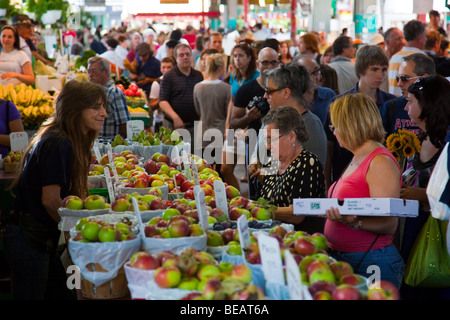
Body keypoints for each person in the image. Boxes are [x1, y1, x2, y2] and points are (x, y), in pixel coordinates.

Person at [3, 80, 107, 300]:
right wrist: (76, 236)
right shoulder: (58, 142)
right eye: (96, 107)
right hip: (30, 241)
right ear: (75, 109)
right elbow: (50, 200)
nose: (104, 113)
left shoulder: (61, 138)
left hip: (38, 240)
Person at [324, 92, 404, 289]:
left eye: (335, 126)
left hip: (372, 260)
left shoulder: (379, 161)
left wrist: (354, 222)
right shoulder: (358, 156)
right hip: (350, 258)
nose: (333, 132)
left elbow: (389, 224)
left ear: (351, 125)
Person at [399, 75, 450, 299]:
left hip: (438, 233)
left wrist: (417, 194)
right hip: (410, 228)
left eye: (410, 101)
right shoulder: (418, 138)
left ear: (427, 104)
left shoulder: (446, 141)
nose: (405, 106)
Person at [325, 45, 396, 188]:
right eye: (374, 69)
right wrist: (327, 180)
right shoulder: (340, 104)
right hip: (344, 172)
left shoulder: (391, 103)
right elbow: (329, 144)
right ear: (361, 71)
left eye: (383, 69)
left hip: (381, 174)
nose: (380, 75)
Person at [258, 106, 326, 231]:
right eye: (265, 140)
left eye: (271, 139)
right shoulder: (271, 163)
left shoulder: (307, 163)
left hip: (299, 239)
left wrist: (260, 210)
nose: (267, 146)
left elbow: (298, 214)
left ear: (291, 136)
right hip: (272, 233)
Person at [221, 41, 259, 190]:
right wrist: (227, 125)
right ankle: (238, 199)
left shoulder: (257, 77)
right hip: (235, 126)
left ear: (250, 58)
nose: (237, 59)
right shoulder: (234, 76)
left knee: (253, 172)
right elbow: (232, 101)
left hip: (251, 129)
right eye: (235, 56)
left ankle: (250, 201)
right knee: (225, 169)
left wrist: (247, 124)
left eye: (241, 56)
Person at [159, 43, 203, 150]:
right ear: (176, 58)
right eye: (181, 55)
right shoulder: (169, 76)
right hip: (173, 126)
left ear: (192, 56)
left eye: (188, 54)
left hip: (194, 127)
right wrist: (175, 117)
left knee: (192, 158)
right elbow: (163, 102)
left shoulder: (198, 76)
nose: (185, 57)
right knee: (172, 158)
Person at [193, 53, 231, 175]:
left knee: (204, 171)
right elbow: (228, 113)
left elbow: (198, 110)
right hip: (220, 134)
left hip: (202, 132)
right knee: (219, 172)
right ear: (220, 69)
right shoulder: (226, 88)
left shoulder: (197, 87)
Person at [380, 53, 434, 138]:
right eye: (398, 78)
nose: (399, 84)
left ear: (424, 78)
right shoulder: (390, 108)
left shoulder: (441, 109)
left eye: (405, 78)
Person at [87, 56, 130, 139]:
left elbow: (124, 124)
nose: (90, 75)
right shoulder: (95, 92)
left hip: (111, 146)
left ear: (106, 71)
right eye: (88, 72)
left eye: (94, 71)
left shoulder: (115, 93)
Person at [294, 54, 337, 126]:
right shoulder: (287, 98)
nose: (315, 78)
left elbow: (337, 126)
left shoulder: (328, 95)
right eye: (307, 73)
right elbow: (273, 127)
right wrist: (274, 138)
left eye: (317, 72)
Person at [388, 20, 427, 97]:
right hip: (409, 104)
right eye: (425, 36)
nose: (426, 40)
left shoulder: (394, 57)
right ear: (420, 38)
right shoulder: (422, 58)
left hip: (392, 103)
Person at [148, 56, 176, 133]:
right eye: (163, 67)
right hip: (161, 121)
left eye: (169, 67)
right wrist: (163, 97)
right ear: (160, 68)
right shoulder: (157, 83)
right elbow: (152, 106)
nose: (166, 70)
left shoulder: (178, 82)